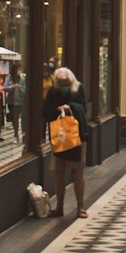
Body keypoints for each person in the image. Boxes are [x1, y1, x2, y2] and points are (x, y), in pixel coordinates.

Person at [42, 66, 88, 218]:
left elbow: (83, 108)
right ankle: (59, 206)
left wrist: (70, 108)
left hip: (76, 137)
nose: (63, 86)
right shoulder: (53, 92)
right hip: (59, 138)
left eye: (66, 82)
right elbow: (46, 112)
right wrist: (58, 110)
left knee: (77, 172)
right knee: (59, 173)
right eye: (61, 83)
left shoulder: (77, 89)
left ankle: (80, 206)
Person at [4, 64, 24, 141]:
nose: (20, 71)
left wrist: (19, 88)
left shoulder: (22, 78)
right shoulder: (9, 77)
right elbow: (5, 87)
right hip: (11, 101)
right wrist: (13, 86)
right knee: (13, 119)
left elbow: (25, 90)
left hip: (19, 101)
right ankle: (16, 133)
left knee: (16, 118)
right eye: (19, 69)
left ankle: (16, 135)